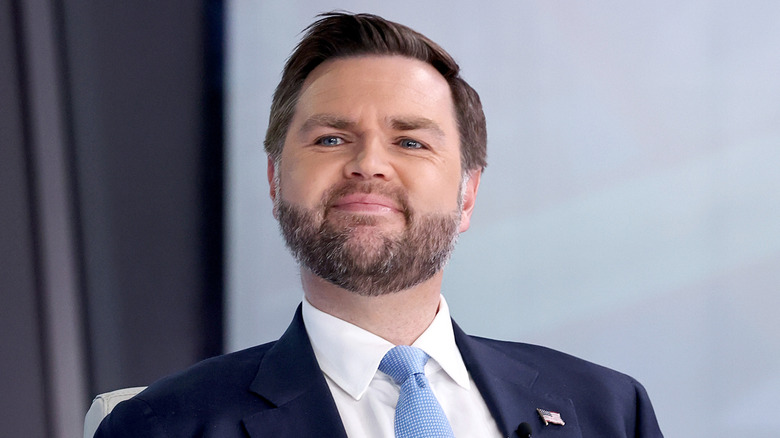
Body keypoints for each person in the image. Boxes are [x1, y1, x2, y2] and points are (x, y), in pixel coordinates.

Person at [95, 12, 663, 437]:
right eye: (331, 139)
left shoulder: (608, 410)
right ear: (274, 181)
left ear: (468, 194)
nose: (368, 163)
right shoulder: (161, 426)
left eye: (410, 141)